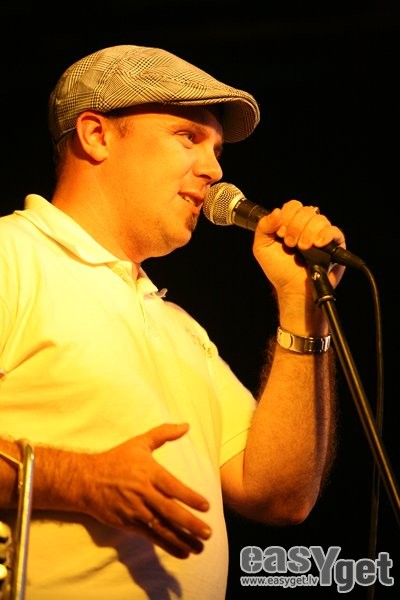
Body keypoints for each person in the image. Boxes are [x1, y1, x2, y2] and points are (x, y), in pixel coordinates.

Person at [0, 44, 346, 600]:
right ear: (97, 135)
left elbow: (279, 496)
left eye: (216, 149)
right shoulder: (13, 256)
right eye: (188, 137)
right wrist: (73, 479)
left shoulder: (181, 327)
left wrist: (302, 307)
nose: (215, 169)